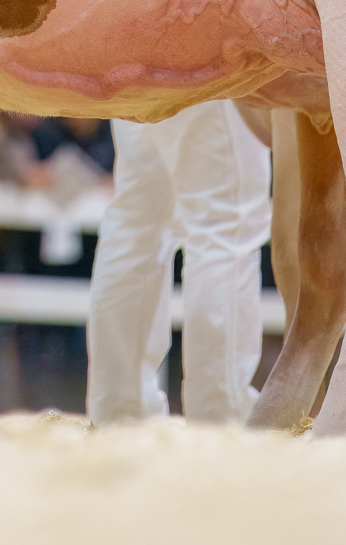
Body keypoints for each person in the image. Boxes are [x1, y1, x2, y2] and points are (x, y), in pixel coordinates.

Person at [87, 99, 272, 425]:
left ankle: (120, 409)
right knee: (225, 221)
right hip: (210, 80)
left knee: (137, 218)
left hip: (131, 69)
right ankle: (220, 414)